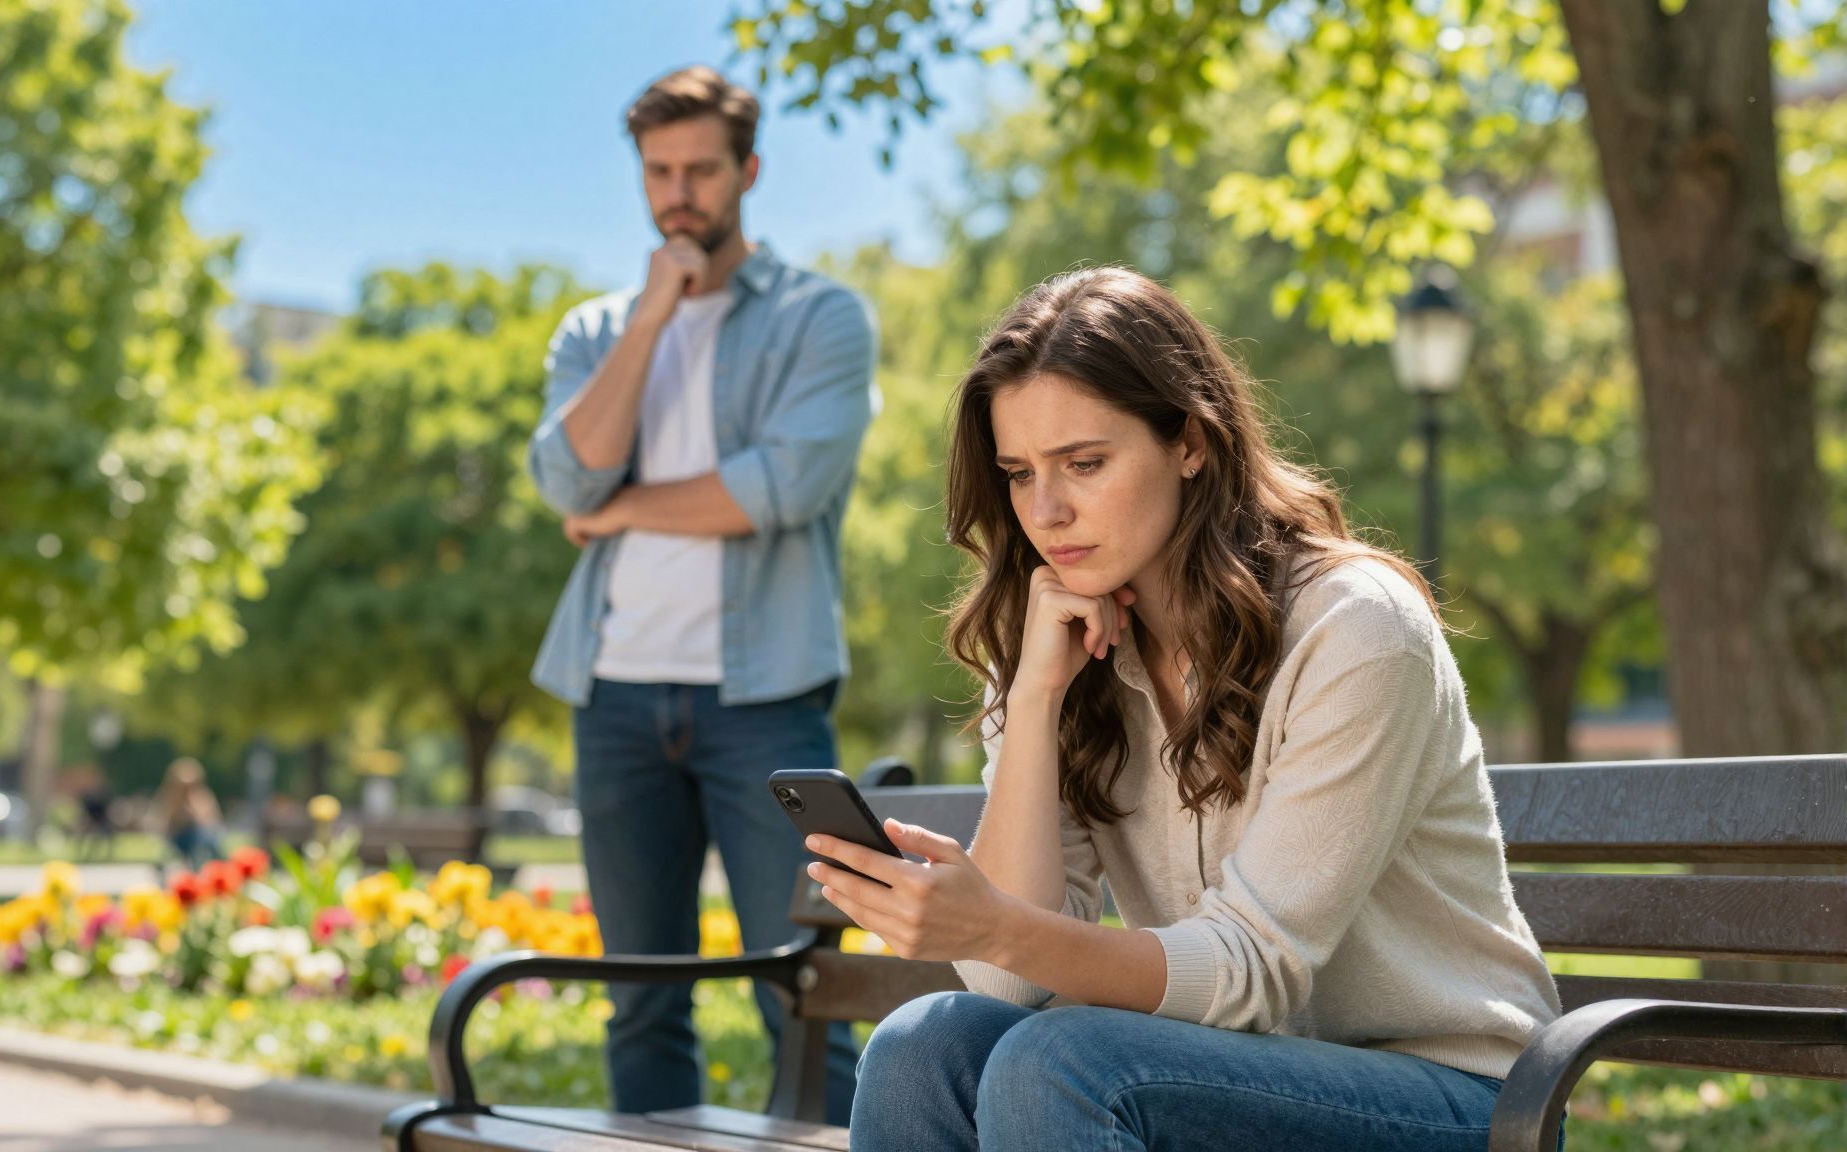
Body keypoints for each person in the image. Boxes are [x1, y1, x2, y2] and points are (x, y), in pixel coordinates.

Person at [809, 268, 1565, 1151]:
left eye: (1084, 464)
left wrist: (995, 926)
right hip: (1218, 1070)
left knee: (1059, 1061)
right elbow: (1007, 983)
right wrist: (1035, 697)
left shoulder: (1356, 628)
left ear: (1191, 443)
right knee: (922, 1047)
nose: (1046, 512)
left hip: (1460, 1103)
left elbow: (1252, 969)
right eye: (1018, 473)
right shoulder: (1053, 636)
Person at [526, 66, 875, 1122]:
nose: (678, 194)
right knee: (639, 1001)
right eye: (658, 173)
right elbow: (565, 480)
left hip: (765, 698)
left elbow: (782, 487)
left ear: (747, 171)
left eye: (700, 171)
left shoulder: (820, 317)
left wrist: (619, 509)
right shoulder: (595, 331)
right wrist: (648, 320)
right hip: (614, 696)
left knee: (804, 996)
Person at [152, 757, 223, 871]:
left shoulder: (203, 796)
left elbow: (211, 821)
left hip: (200, 838)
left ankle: (215, 867)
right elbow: (167, 825)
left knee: (203, 836)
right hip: (179, 838)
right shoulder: (170, 798)